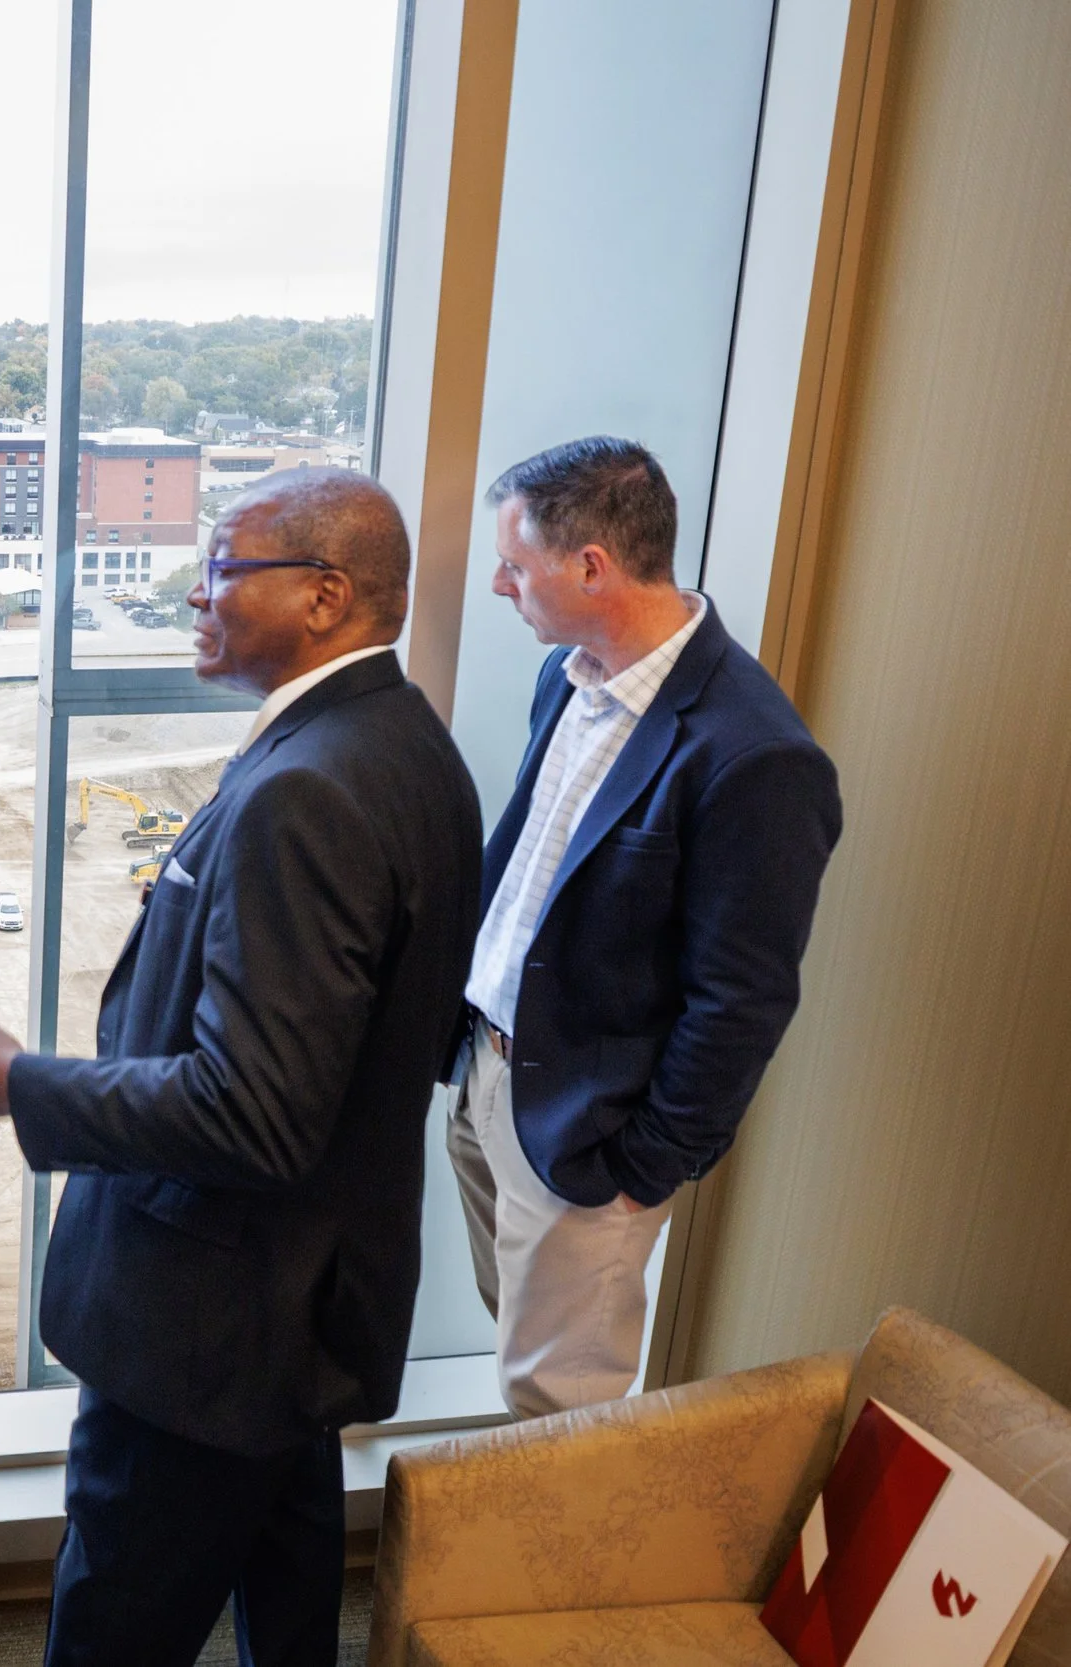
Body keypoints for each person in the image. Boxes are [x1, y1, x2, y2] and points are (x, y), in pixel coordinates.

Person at [0, 470, 483, 1667]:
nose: (197, 591)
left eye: (225, 566)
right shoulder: (408, 746)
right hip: (297, 1311)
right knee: (288, 1606)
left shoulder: (304, 790)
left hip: (210, 1327)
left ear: (325, 596)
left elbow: (253, 1111)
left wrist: (23, 1085)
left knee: (116, 1623)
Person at [451, 436, 840, 1419]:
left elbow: (741, 1000)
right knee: (515, 1360)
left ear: (590, 567)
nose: (499, 585)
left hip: (588, 1134)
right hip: (488, 1078)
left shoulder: (753, 754)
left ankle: (552, 1579)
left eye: (514, 564)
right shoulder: (568, 674)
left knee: (555, 1412)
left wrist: (641, 1171)